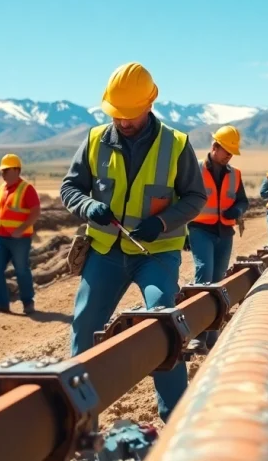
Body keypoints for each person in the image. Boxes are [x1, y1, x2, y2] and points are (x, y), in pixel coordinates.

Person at [60, 62, 207, 422]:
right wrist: (87, 204)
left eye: (131, 114)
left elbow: (194, 197)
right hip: (106, 252)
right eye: (117, 114)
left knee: (162, 323)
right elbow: (70, 188)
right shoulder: (95, 140)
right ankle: (81, 417)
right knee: (85, 326)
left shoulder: (176, 144)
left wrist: (161, 222)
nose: (123, 122)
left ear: (150, 104)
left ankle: (174, 417)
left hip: (155, 253)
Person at [185, 125, 249, 353]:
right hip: (200, 230)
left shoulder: (235, 174)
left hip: (224, 233)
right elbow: (182, 199)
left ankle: (212, 334)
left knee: (218, 280)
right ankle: (198, 335)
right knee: (204, 275)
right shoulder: (195, 170)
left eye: (232, 152)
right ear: (214, 147)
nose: (229, 156)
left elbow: (243, 201)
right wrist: (183, 231)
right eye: (226, 151)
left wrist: (237, 211)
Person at [0, 153, 41, 315]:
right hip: (0, 238)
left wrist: (21, 229)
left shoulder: (27, 189)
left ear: (17, 170)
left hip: (20, 240)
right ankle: (0, 303)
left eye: (6, 170)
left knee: (21, 270)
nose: (3, 173)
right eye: (2, 170)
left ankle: (28, 303)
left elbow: (35, 212)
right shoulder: (1, 189)